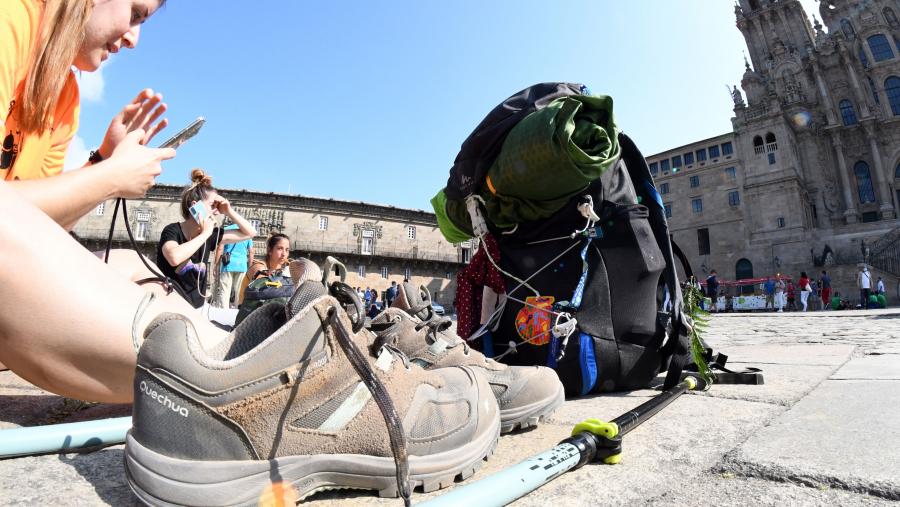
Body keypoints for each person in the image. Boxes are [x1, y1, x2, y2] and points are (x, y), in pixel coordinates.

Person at [0, 0, 241, 403]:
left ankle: (231, 359)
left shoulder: (66, 95)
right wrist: (108, 178)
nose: (133, 38)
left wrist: (100, 163)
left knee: (130, 264)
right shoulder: (11, 18)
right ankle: (232, 376)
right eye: (135, 13)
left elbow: (34, 232)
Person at [156, 170, 256, 309]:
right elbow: (174, 257)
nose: (216, 211)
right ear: (195, 206)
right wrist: (205, 233)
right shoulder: (172, 230)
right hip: (168, 306)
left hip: (196, 309)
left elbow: (250, 232)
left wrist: (228, 211)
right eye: (212, 206)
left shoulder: (211, 234)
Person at [239, 233, 293, 304]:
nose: (284, 254)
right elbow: (263, 294)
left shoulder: (283, 270)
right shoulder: (259, 268)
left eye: (287, 250)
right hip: (249, 310)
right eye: (280, 249)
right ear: (270, 250)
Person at [212, 224, 254, 308]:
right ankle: (238, 312)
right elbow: (251, 252)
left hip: (227, 264)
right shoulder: (247, 232)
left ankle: (222, 313)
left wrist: (216, 265)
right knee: (240, 292)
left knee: (224, 290)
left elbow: (220, 248)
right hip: (242, 265)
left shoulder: (227, 230)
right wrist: (250, 267)